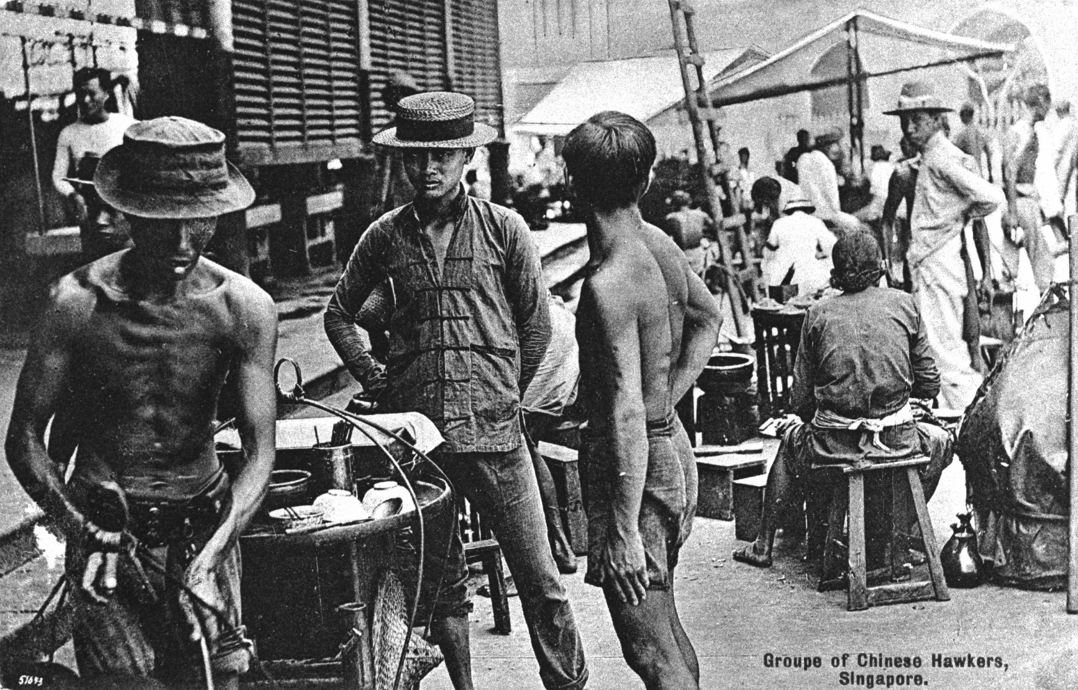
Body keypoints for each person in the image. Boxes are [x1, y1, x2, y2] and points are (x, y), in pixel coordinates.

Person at [324, 91, 587, 690]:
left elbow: (537, 326)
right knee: (440, 584)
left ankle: (569, 682)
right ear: (402, 161)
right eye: (416, 157)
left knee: (541, 581)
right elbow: (339, 314)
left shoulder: (505, 230)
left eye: (443, 155)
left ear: (467, 155)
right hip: (421, 444)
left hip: (497, 436)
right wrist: (377, 378)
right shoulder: (385, 237)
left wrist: (507, 396)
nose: (428, 169)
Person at [7, 116, 275, 688]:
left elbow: (259, 452)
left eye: (197, 221)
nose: (181, 243)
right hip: (105, 530)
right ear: (128, 210)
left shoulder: (244, 307)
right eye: (162, 223)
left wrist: (214, 553)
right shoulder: (74, 303)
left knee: (220, 675)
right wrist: (79, 529)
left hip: (206, 525)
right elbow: (24, 438)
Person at [564, 110, 716, 689]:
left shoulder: (608, 284)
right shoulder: (657, 244)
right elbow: (708, 318)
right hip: (666, 448)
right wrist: (667, 402)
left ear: (574, 186)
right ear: (646, 180)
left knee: (649, 652)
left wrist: (623, 529)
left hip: (634, 469)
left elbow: (626, 406)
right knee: (668, 633)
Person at [733, 231, 954, 568]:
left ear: (836, 274)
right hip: (897, 443)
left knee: (789, 442)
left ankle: (763, 545)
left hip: (833, 446)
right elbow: (929, 384)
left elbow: (800, 403)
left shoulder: (818, 314)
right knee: (939, 441)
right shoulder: (905, 304)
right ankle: (897, 535)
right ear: (878, 268)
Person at [885, 81, 1003, 410]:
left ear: (938, 120)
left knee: (946, 358)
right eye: (904, 121)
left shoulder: (943, 158)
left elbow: (991, 197)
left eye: (917, 120)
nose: (909, 129)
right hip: (932, 262)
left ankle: (974, 424)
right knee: (938, 353)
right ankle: (961, 425)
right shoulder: (929, 158)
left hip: (939, 262)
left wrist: (957, 217)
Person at [52, 67, 138, 262]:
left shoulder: (127, 127)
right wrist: (73, 194)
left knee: (126, 262)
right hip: (91, 212)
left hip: (122, 212)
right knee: (95, 263)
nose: (85, 100)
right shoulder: (69, 133)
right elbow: (58, 176)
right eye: (80, 94)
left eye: (91, 93)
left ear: (106, 94)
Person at [1002, 84, 1075, 294]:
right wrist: (1013, 211)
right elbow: (1010, 172)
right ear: (1040, 103)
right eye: (1047, 105)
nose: (1049, 110)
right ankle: (1049, 300)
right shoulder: (1019, 132)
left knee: (1026, 260)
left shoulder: (1034, 132)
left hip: (1028, 200)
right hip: (1020, 200)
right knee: (1039, 262)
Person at [760, 197, 837, 296]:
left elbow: (769, 251)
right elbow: (831, 246)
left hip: (783, 275)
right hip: (809, 273)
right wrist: (820, 254)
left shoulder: (779, 223)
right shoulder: (815, 222)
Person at [796, 128, 861, 235]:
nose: (840, 150)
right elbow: (834, 205)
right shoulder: (826, 163)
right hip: (825, 217)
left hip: (806, 215)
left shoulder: (803, 159)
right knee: (860, 226)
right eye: (838, 145)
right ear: (829, 146)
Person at [662, 190, 712, 277]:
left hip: (682, 256)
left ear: (674, 204)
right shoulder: (701, 214)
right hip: (698, 255)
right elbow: (714, 227)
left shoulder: (672, 217)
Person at [952, 103, 994, 182]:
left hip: (968, 175)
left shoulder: (962, 134)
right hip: (979, 174)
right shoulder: (981, 132)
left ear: (964, 115)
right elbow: (989, 154)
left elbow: (953, 155)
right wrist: (990, 175)